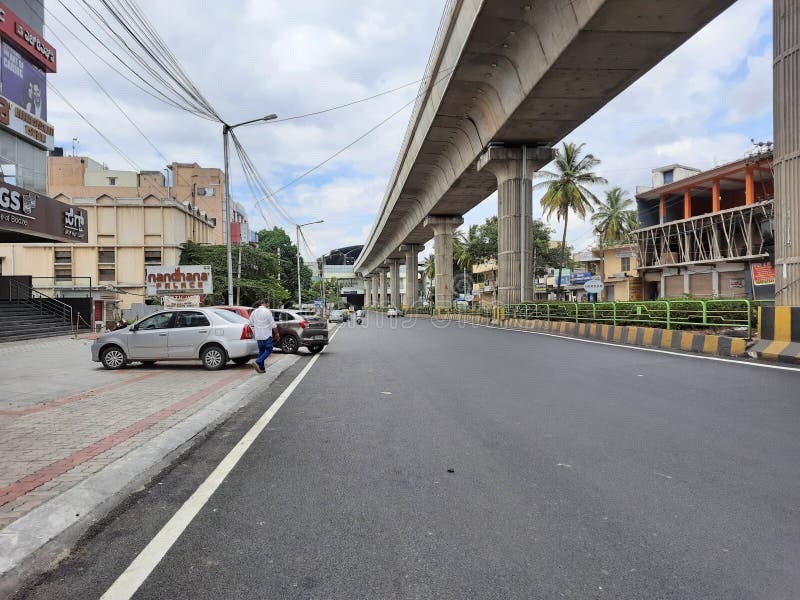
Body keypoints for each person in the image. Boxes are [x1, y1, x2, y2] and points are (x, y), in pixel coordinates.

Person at [249, 299, 279, 374]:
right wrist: (277, 333)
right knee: (269, 350)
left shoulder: (254, 312)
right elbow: (273, 324)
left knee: (261, 351)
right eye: (268, 304)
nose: (268, 305)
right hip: (266, 335)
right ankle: (258, 361)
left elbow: (250, 323)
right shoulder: (267, 311)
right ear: (266, 303)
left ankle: (262, 368)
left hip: (258, 335)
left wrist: (255, 332)